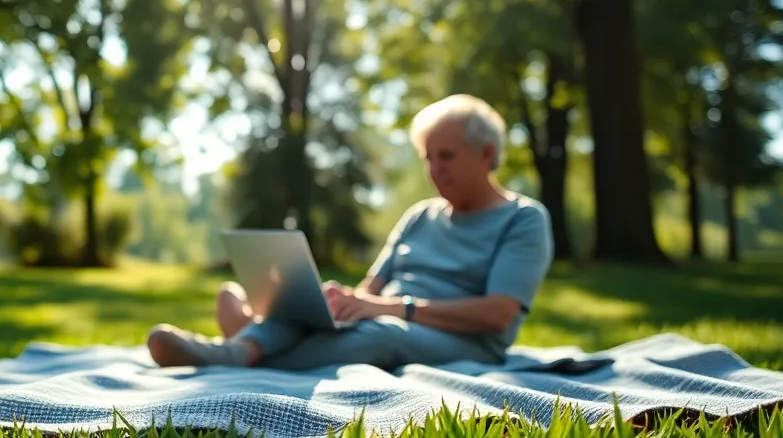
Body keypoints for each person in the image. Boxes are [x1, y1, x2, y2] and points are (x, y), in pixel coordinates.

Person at [146, 94, 554, 371]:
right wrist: (344, 302)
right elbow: (370, 287)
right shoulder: (419, 216)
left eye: (446, 156)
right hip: (390, 318)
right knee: (316, 305)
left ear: (486, 155)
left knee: (381, 334)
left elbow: (498, 315)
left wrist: (392, 308)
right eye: (428, 158)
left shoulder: (523, 219)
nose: (435, 170)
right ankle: (247, 344)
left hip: (467, 341)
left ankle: (241, 349)